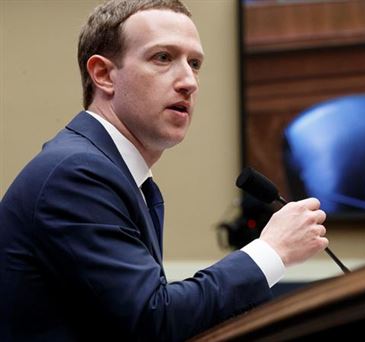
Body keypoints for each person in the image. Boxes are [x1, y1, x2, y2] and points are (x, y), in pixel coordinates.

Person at [0, 1, 328, 341]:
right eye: (162, 58)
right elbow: (152, 321)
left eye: (195, 63)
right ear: (103, 74)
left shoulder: (117, 173)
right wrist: (271, 251)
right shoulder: (76, 173)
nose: (189, 82)